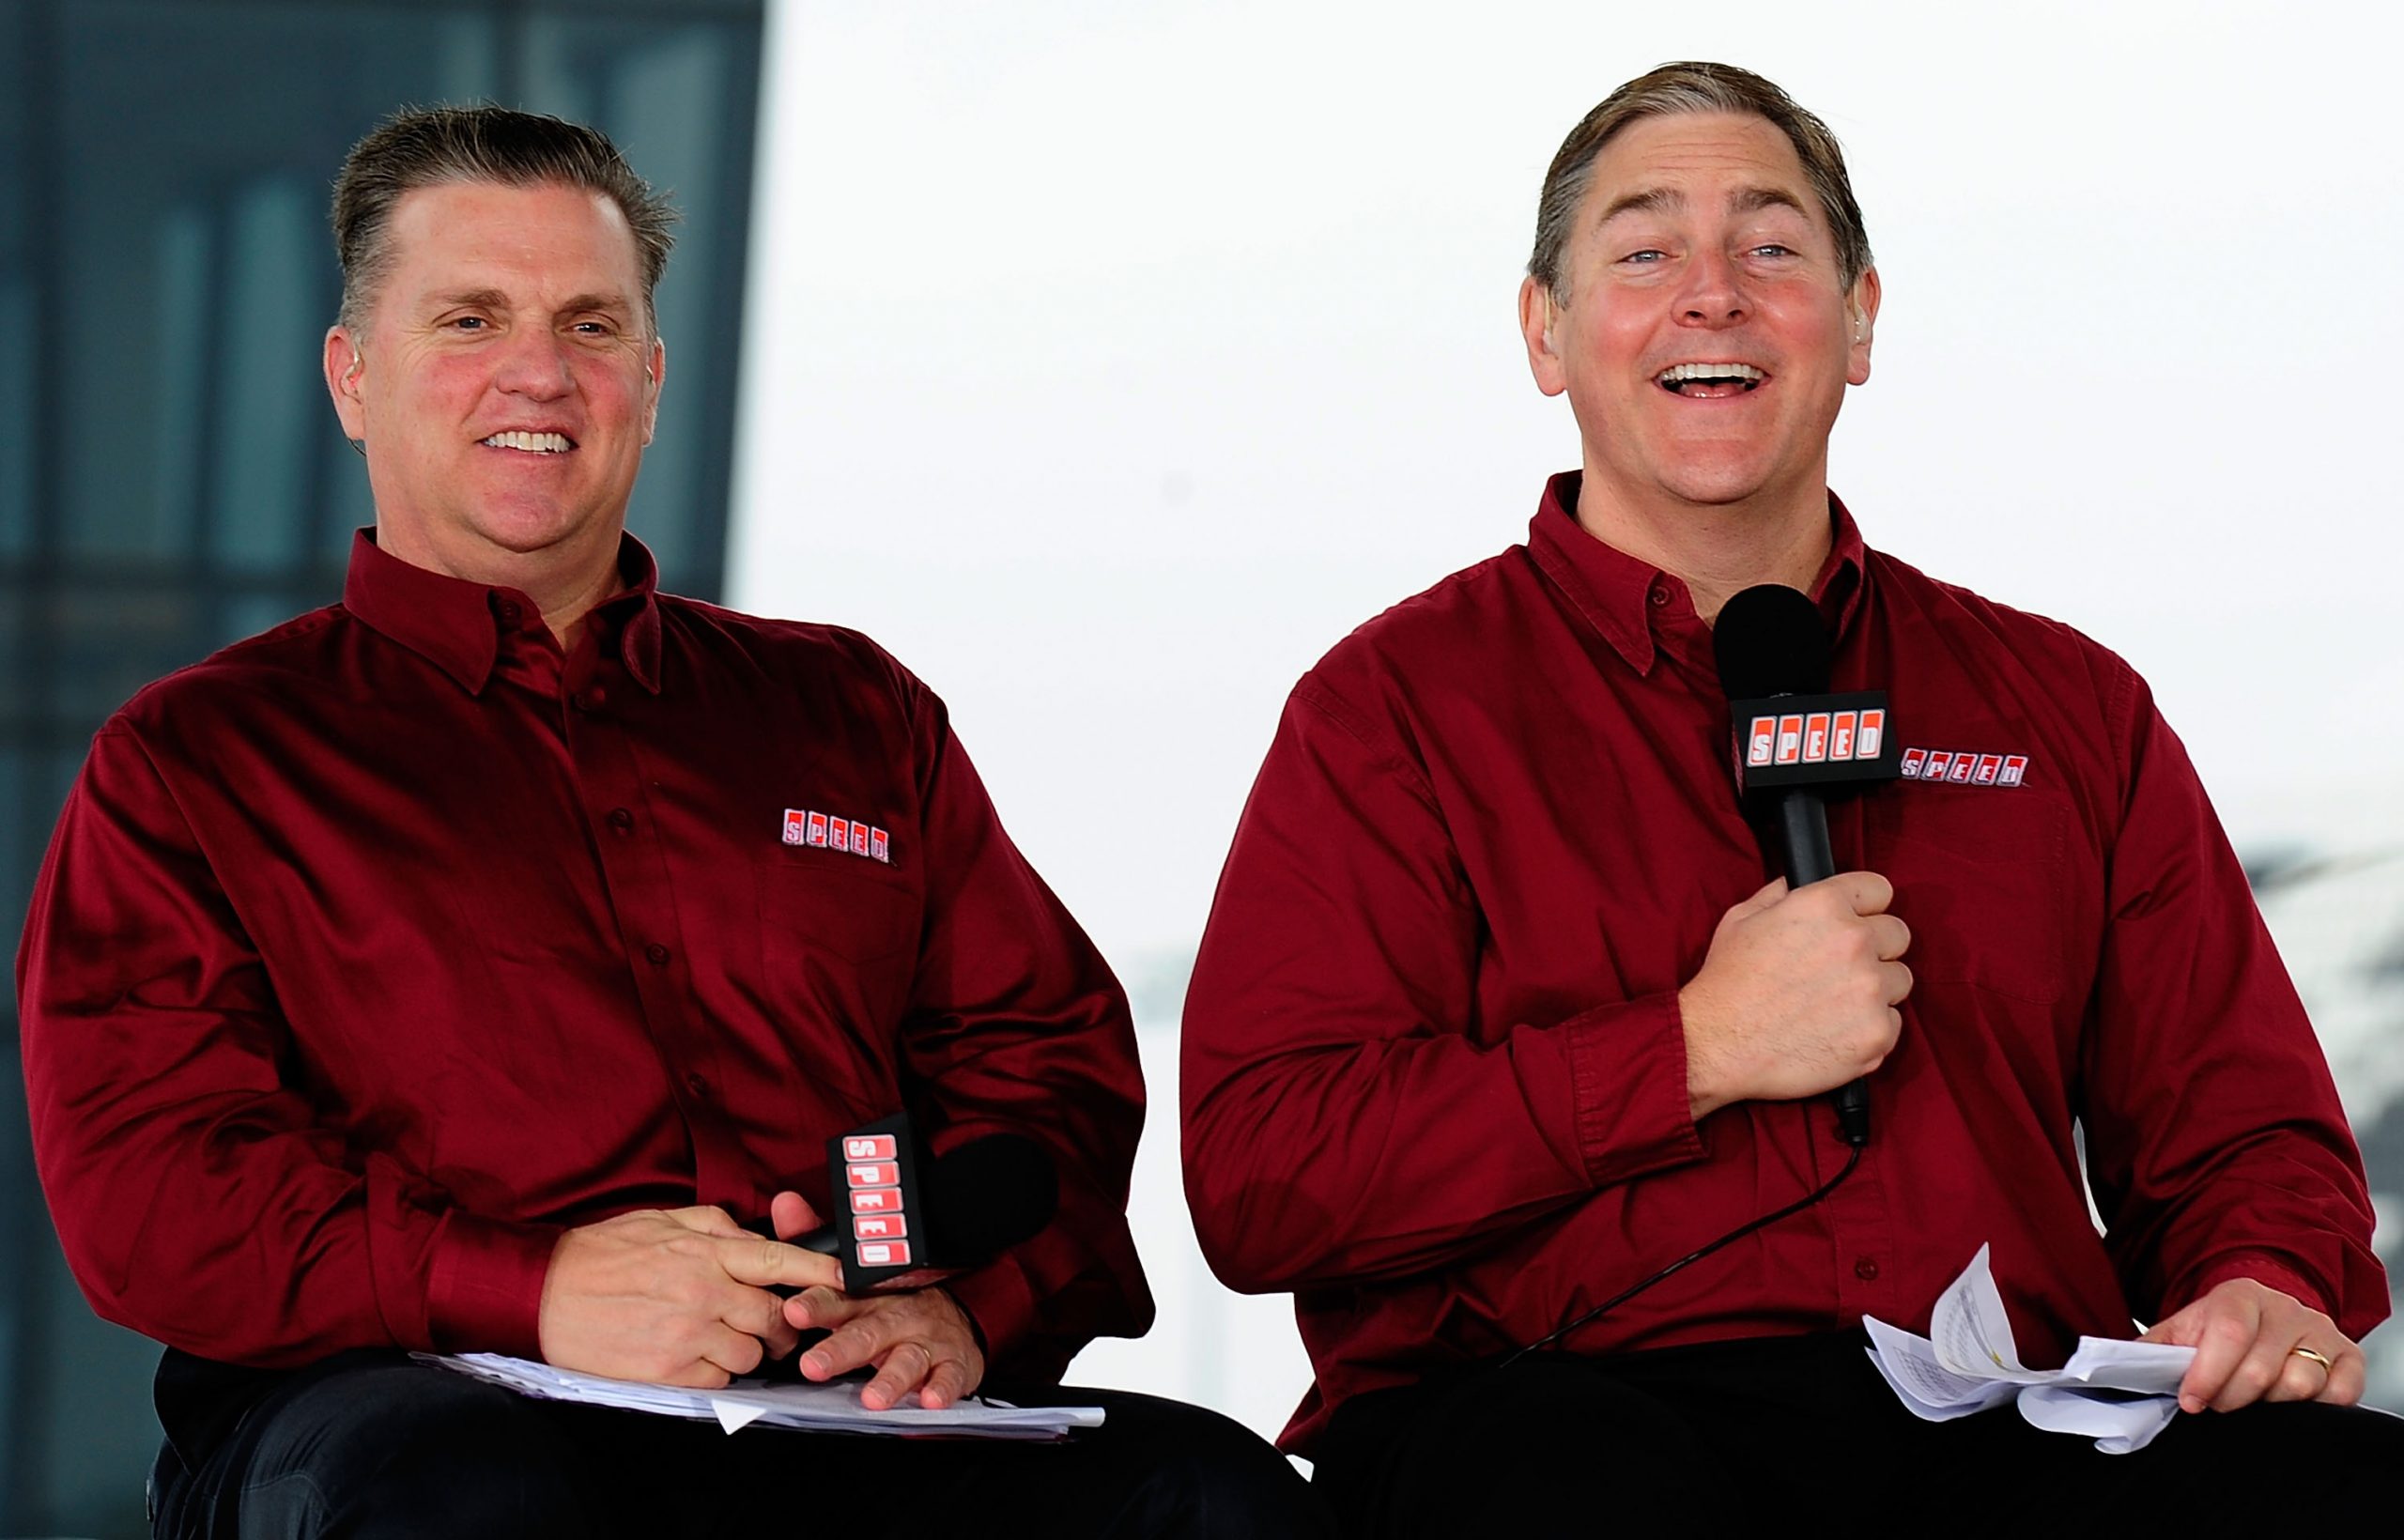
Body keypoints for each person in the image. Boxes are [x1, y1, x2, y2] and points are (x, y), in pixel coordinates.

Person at [18, 105, 1329, 1539]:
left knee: (1208, 1495)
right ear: (352, 376)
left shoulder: (851, 712)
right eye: (470, 318)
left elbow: (1040, 1067)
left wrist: (960, 1305)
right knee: (458, 1493)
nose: (538, 370)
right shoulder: (198, 761)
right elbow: (153, 1185)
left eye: (589, 325)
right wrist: (534, 1290)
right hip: (407, 1410)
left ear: (649, 380)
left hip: (832, 1406)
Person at [1179, 61, 2398, 1534]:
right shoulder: (1392, 711)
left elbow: (2246, 1132)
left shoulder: (2067, 708)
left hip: (2007, 1429)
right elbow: (1265, 1178)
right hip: (1567, 1416)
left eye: (1769, 246)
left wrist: (2265, 1279)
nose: (1713, 295)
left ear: (1860, 319)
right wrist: (1689, 1049)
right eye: (1645, 252)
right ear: (1546, 333)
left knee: (2348, 1490)